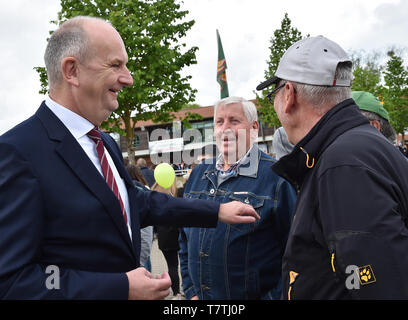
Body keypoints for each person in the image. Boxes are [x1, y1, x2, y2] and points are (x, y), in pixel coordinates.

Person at [0, 16, 259, 300]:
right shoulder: (17, 152)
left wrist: (216, 212)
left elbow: (134, 202)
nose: (128, 78)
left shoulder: (105, 142)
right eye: (115, 65)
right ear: (71, 70)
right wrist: (121, 288)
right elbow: (14, 281)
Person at [256, 35, 408, 299]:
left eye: (274, 94)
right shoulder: (351, 147)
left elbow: (375, 284)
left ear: (289, 95)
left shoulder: (343, 162)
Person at [179, 96, 297, 300]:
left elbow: (298, 255)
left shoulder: (277, 178)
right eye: (219, 121)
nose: (225, 128)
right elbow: (183, 240)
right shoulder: (198, 174)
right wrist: (191, 291)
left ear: (253, 128)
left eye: (234, 121)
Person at [151, 181, 183, 300]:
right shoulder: (174, 195)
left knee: (172, 265)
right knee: (179, 264)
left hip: (164, 237)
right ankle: (180, 290)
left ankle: (176, 292)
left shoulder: (154, 196)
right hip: (176, 235)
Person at [126, 164, 153, 271]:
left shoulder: (135, 191)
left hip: (138, 237)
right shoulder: (146, 189)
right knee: (146, 260)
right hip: (146, 235)